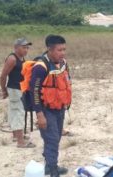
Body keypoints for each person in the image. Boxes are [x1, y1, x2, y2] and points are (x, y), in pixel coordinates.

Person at [30, 35, 71, 177]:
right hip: (46, 110)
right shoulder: (40, 67)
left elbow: (66, 82)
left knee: (55, 138)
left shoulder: (63, 63)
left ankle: (50, 165)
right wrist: (40, 115)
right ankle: (53, 170)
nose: (63, 53)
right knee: (52, 139)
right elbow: (34, 92)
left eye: (64, 49)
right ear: (49, 49)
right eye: (59, 50)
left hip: (60, 108)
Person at [0, 38, 36, 148]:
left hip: (20, 88)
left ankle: (16, 135)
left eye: (27, 47)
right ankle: (21, 142)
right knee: (18, 112)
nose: (26, 50)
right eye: (23, 47)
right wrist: (4, 90)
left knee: (14, 110)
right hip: (14, 89)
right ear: (16, 48)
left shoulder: (21, 58)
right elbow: (3, 75)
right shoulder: (12, 59)